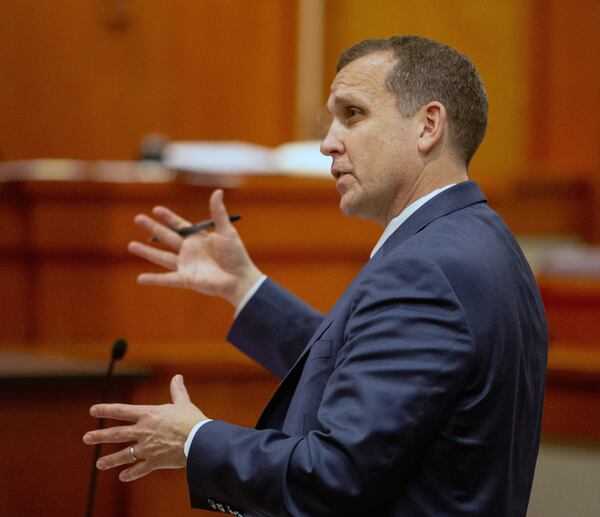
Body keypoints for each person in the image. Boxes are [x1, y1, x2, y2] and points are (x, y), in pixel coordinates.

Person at [83, 35, 547, 516]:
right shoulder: (479, 238)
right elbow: (374, 373)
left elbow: (332, 476)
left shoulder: (424, 268)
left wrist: (194, 441)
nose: (328, 142)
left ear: (427, 125)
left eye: (352, 114)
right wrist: (244, 288)